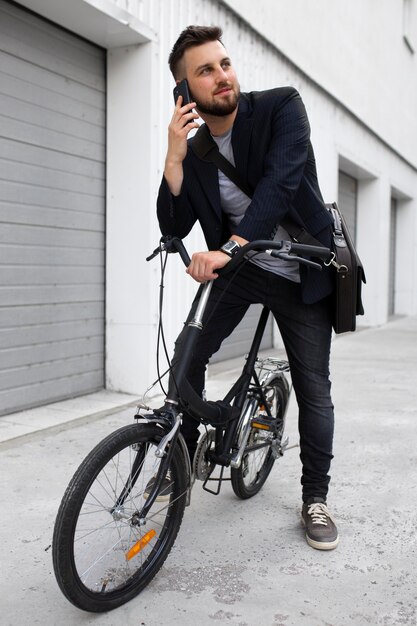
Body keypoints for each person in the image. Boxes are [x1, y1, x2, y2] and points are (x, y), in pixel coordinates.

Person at [156, 25, 339, 550]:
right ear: (185, 93)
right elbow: (173, 226)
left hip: (302, 268)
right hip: (244, 271)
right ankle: (179, 458)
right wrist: (173, 157)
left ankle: (316, 496)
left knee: (314, 388)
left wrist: (229, 248)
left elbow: (280, 188)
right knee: (187, 354)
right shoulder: (192, 154)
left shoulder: (283, 108)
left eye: (224, 63)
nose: (222, 76)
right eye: (205, 71)